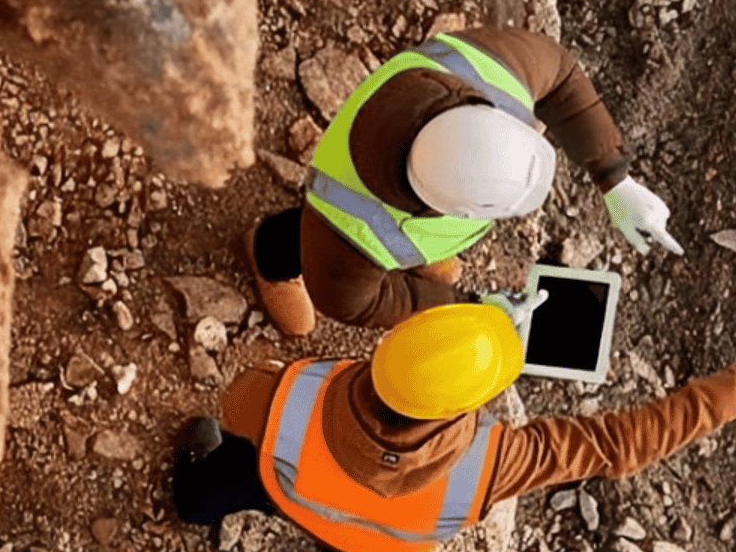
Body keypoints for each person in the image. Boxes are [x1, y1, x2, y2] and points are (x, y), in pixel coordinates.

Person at [172, 301, 736, 552]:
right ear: (467, 405)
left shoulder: (292, 393)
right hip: (374, 545)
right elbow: (624, 442)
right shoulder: (493, 464)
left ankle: (194, 502)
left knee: (229, 476)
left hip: (289, 490)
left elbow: (235, 405)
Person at [245, 27, 681, 336]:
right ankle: (267, 256)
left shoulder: (487, 69)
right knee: (294, 237)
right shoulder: (349, 246)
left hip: (395, 184)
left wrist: (616, 180)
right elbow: (367, 302)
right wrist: (464, 307)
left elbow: (562, 79)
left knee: (422, 261)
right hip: (336, 230)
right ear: (459, 211)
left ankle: (423, 256)